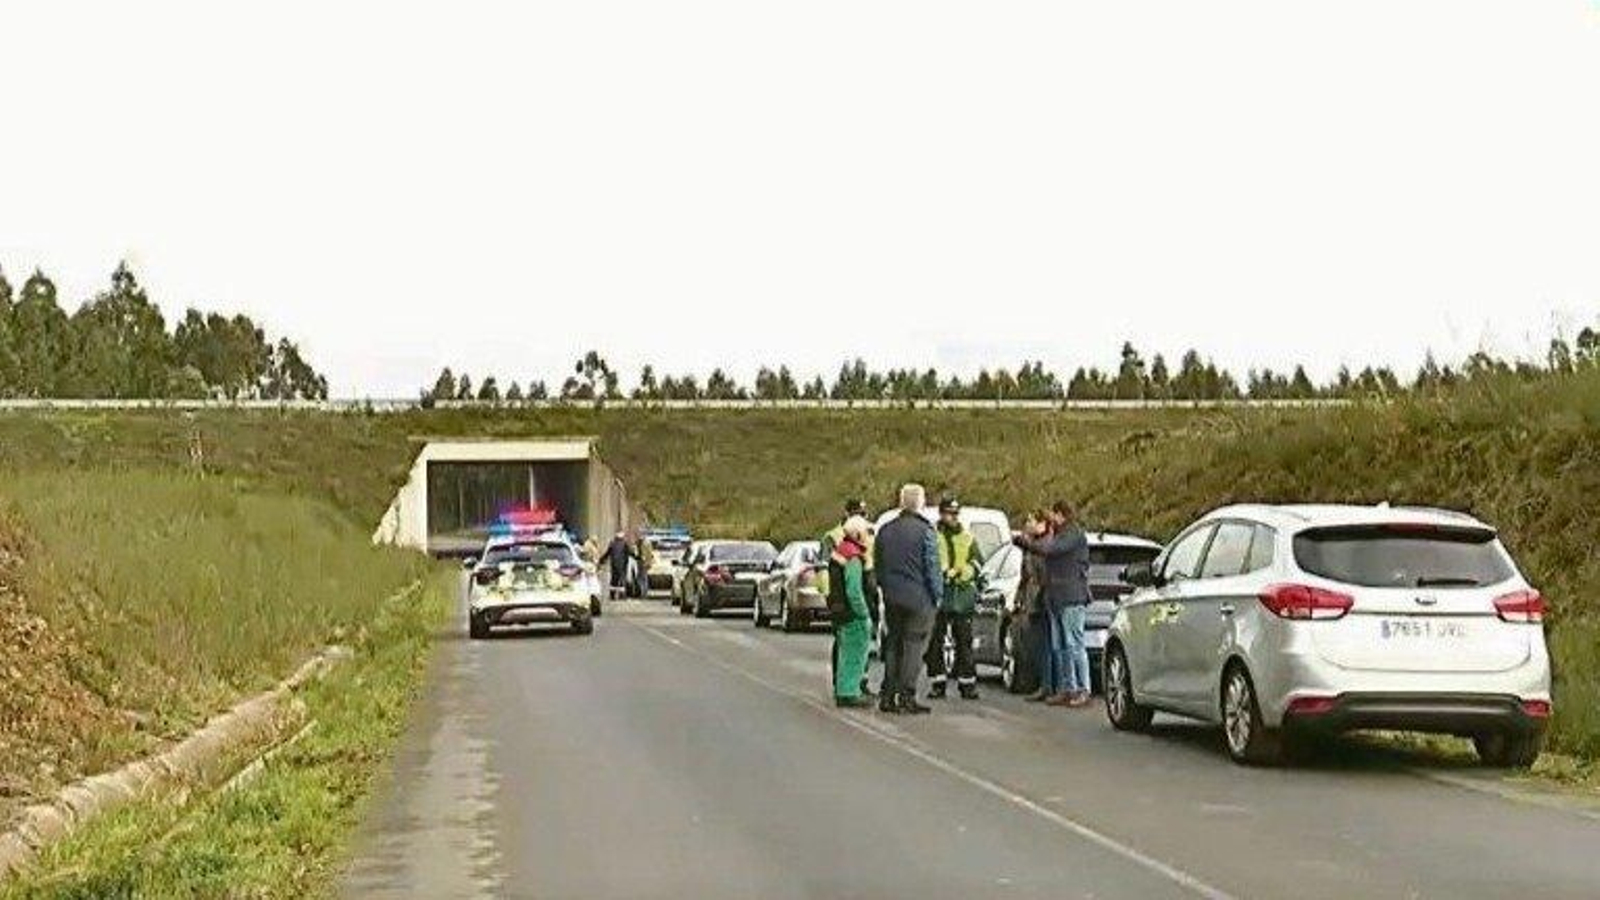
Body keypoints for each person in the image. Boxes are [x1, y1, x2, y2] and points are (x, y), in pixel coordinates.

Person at [1014, 500, 1093, 707]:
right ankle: (1067, 688)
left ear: (1061, 515)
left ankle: (1083, 688)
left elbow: (1052, 549)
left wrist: (1027, 542)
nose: (1052, 519)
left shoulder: (1073, 534)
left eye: (1055, 515)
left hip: (1071, 596)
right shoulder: (1061, 534)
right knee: (1060, 646)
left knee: (1074, 644)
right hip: (1056, 597)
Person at [872, 483, 942, 715]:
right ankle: (907, 694)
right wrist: (937, 596)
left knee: (893, 644)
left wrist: (885, 588)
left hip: (892, 596)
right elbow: (932, 567)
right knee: (914, 646)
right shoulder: (925, 531)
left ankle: (887, 694)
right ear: (920, 503)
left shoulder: (886, 530)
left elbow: (878, 565)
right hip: (918, 597)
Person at [923, 497, 985, 700]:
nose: (953, 517)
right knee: (935, 642)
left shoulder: (967, 537)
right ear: (941, 514)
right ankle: (937, 682)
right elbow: (926, 560)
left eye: (956, 513)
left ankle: (967, 683)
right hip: (938, 594)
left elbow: (977, 563)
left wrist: (962, 572)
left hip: (961, 595)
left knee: (964, 642)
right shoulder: (931, 535)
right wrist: (938, 574)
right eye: (949, 513)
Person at [823, 499, 877, 697]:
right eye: (856, 513)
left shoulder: (859, 539)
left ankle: (853, 684)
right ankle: (846, 687)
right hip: (848, 605)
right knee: (849, 648)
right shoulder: (838, 540)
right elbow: (853, 588)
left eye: (862, 513)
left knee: (853, 649)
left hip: (844, 602)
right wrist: (862, 611)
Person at [1014, 511, 1056, 702]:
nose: (1027, 524)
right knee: (1039, 645)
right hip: (1033, 599)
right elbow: (1025, 576)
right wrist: (1019, 596)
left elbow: (1042, 575)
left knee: (1047, 645)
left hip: (1042, 600)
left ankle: (1049, 685)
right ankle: (1044, 684)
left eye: (1031, 521)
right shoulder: (1032, 546)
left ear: (1043, 524)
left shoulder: (1045, 545)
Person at [597, 530, 635, 600]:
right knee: (622, 579)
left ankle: (612, 595)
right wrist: (638, 557)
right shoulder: (624, 544)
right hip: (622, 565)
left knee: (614, 580)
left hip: (614, 565)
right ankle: (622, 596)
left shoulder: (612, 544)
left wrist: (601, 560)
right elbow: (630, 553)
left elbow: (607, 553)